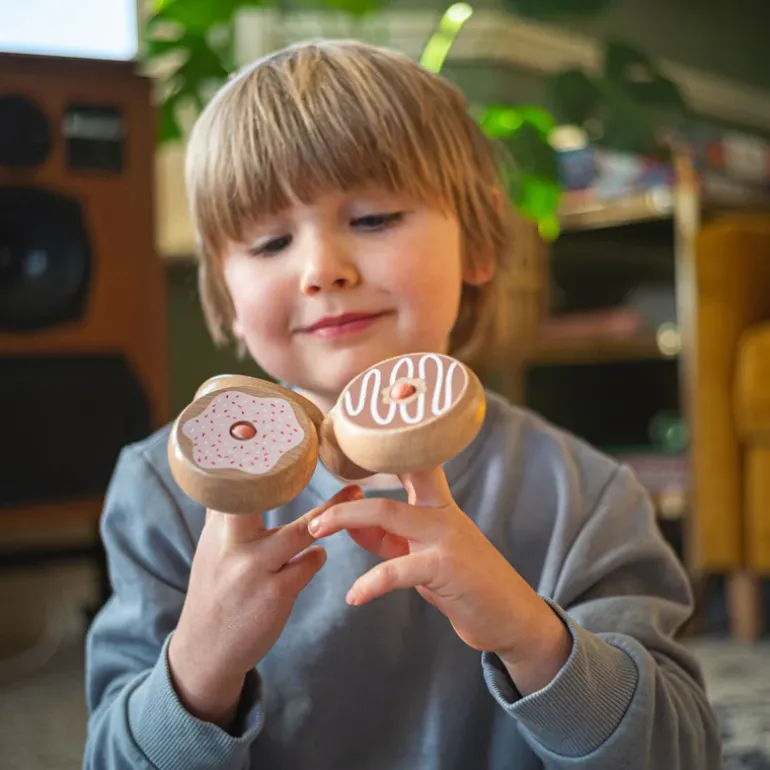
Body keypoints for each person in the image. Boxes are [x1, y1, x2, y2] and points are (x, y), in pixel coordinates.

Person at [83, 39, 722, 770]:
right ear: (225, 297)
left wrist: (531, 636)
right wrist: (197, 668)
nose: (323, 270)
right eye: (269, 242)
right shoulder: (161, 492)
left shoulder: (585, 498)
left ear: (479, 241)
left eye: (376, 218)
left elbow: (682, 753)